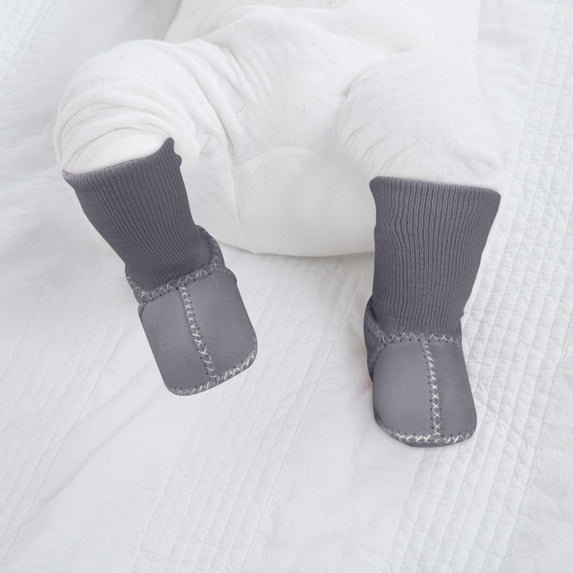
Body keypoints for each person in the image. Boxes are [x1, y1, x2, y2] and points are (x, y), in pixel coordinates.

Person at [53, 0, 502, 447]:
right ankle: (176, 275)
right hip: (226, 75)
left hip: (379, 76)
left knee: (441, 122)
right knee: (103, 90)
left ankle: (419, 325)